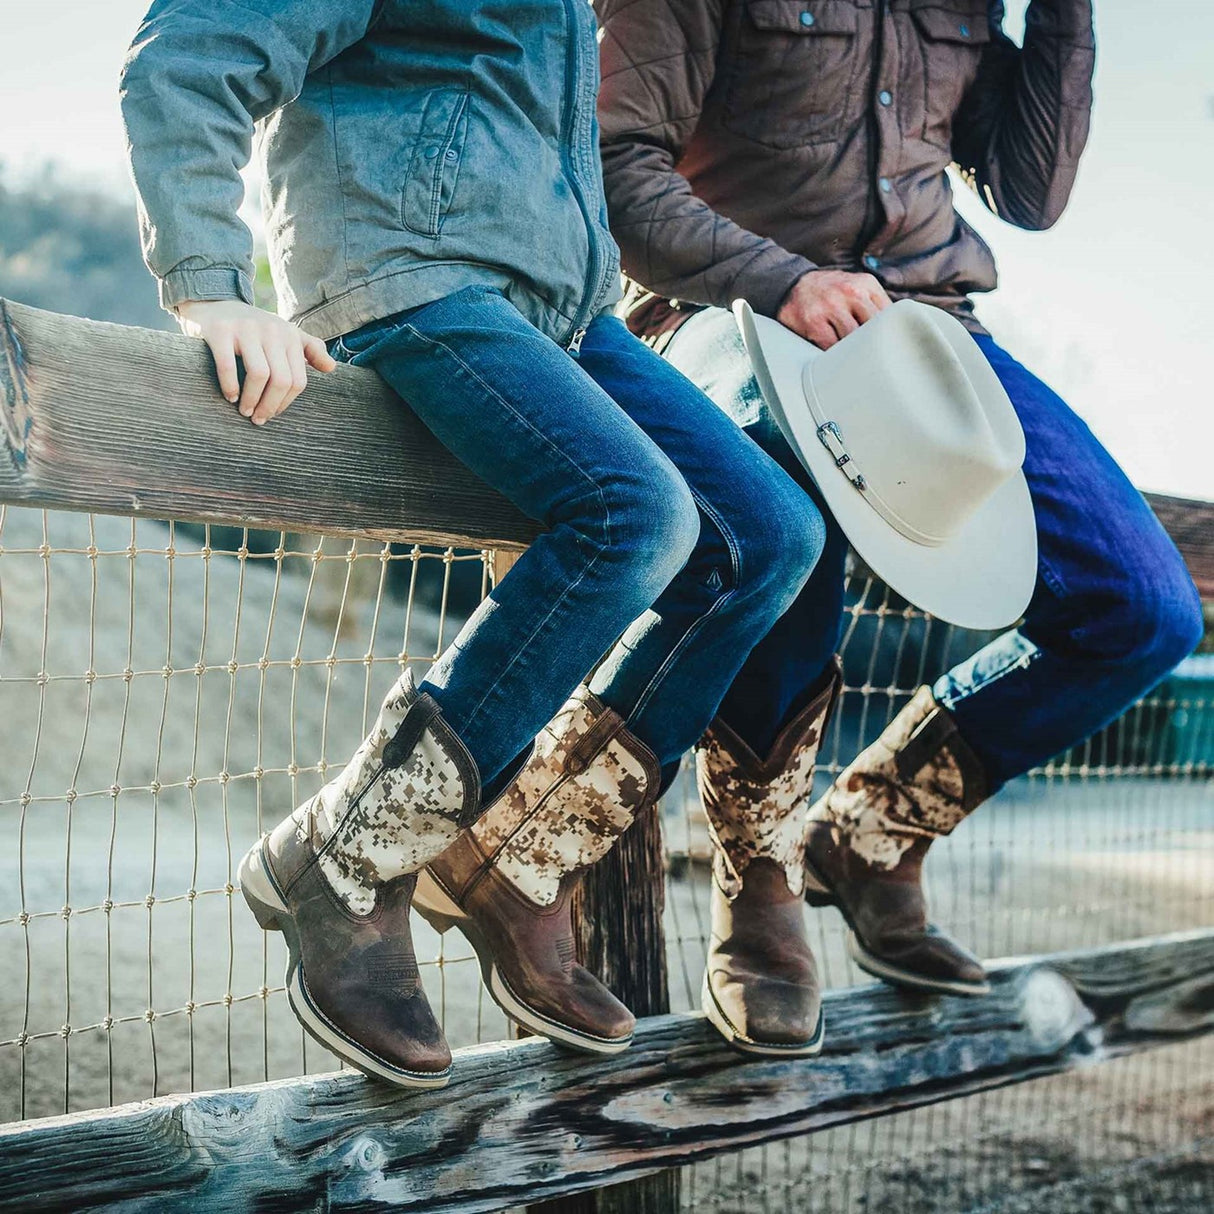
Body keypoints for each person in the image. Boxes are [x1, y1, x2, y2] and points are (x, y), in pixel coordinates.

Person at [120, 0, 826, 1087]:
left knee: (772, 534)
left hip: (560, 314)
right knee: (634, 511)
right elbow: (189, 52)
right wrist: (211, 286)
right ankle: (345, 854)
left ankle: (521, 852)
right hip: (408, 266)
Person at [594, 0, 1204, 1053]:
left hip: (928, 330)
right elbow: (609, 165)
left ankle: (872, 832)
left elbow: (1028, 191)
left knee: (1141, 606)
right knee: (789, 491)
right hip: (727, 309)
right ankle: (761, 873)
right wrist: (780, 279)